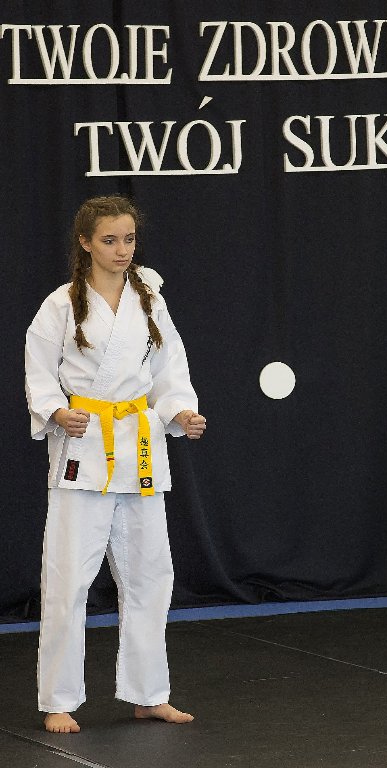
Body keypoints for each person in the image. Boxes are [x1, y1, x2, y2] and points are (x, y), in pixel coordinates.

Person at [25, 195, 206, 734]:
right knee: (67, 581)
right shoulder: (60, 305)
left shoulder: (149, 299)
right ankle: (58, 699)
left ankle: (148, 694)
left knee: (151, 576)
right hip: (84, 450)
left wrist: (180, 410)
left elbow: (170, 366)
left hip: (139, 447)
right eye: (109, 240)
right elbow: (39, 372)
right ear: (85, 243)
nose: (122, 249)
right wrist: (56, 410)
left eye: (128, 239)